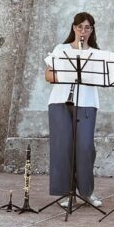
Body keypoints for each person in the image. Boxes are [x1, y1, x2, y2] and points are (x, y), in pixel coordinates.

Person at [44, 11, 103, 208]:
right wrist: (69, 75)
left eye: (87, 27)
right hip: (60, 102)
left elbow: (102, 80)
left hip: (86, 103)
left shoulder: (96, 53)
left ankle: (86, 192)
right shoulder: (61, 49)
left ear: (91, 30)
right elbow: (49, 76)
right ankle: (67, 192)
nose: (83, 31)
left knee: (85, 148)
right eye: (79, 27)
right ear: (74, 28)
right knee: (63, 148)